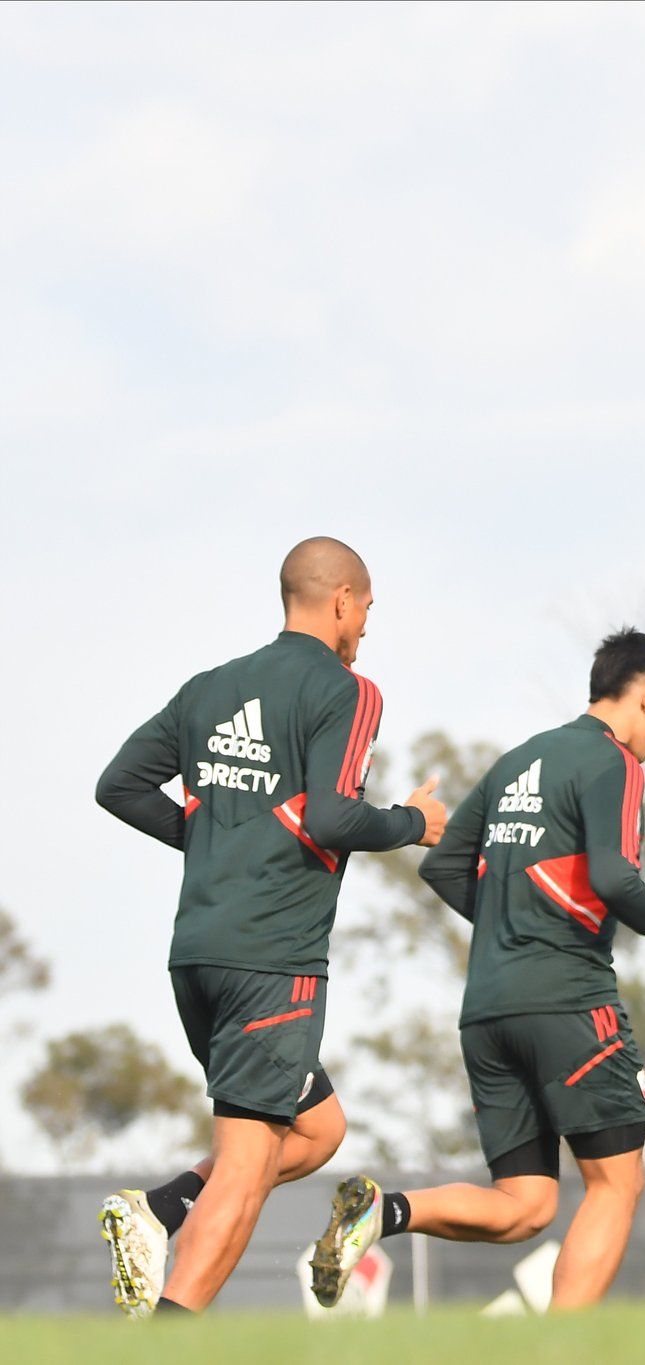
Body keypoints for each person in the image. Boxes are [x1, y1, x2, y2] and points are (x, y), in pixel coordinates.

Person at [92, 537, 446, 1316]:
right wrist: (417, 820)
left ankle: (157, 1209)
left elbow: (119, 785)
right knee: (249, 1167)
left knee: (319, 1129)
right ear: (343, 600)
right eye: (369, 609)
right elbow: (331, 813)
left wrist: (216, 834)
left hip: (197, 959)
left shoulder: (209, 686)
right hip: (271, 961)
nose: (367, 627)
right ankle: (168, 1338)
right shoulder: (348, 690)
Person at [306, 628, 645, 1312]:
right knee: (616, 1185)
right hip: (569, 1001)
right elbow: (612, 873)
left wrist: (506, 924)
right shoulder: (614, 764)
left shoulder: (515, 761)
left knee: (525, 1204)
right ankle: (561, 1351)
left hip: (487, 1010)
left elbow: (442, 866)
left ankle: (385, 1211)